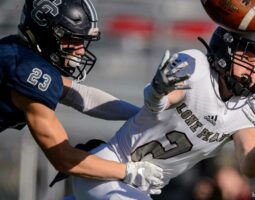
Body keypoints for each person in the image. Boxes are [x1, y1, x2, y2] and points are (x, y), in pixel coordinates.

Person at [71, 21, 255, 200]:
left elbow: (250, 168)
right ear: (225, 50)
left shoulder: (251, 106)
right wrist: (157, 93)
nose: (252, 71)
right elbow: (157, 105)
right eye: (246, 59)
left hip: (140, 187)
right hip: (109, 168)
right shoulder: (197, 67)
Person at [0, 0, 167, 194]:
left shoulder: (17, 52)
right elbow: (63, 158)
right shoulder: (27, 71)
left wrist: (142, 114)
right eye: (73, 39)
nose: (80, 50)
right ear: (44, 34)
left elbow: (81, 96)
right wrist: (128, 171)